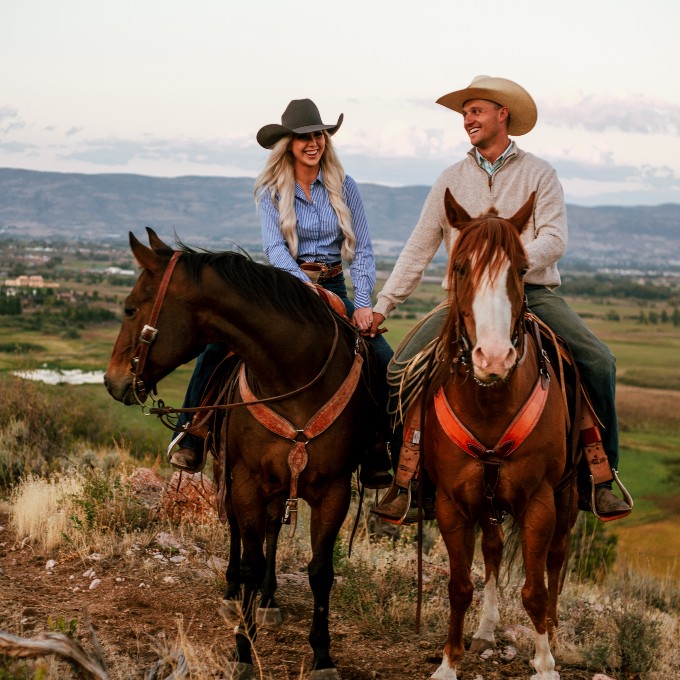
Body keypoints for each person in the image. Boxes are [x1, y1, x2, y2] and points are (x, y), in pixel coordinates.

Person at [369, 75, 632, 522]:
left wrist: (506, 263)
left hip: (530, 291)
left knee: (598, 361)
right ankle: (410, 478)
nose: (467, 120)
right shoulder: (450, 179)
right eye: (465, 113)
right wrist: (383, 306)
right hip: (467, 302)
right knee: (399, 369)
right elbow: (419, 247)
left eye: (475, 110)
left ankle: (599, 475)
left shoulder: (540, 173)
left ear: (501, 114)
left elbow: (555, 237)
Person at [170, 98, 393, 489]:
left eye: (319, 134)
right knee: (220, 344)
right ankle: (192, 433)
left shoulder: (345, 186)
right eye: (304, 136)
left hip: (335, 282)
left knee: (381, 358)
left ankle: (379, 449)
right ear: (288, 143)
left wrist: (361, 305)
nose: (314, 142)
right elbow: (275, 250)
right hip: (284, 287)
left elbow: (362, 249)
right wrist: (307, 290)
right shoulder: (271, 189)